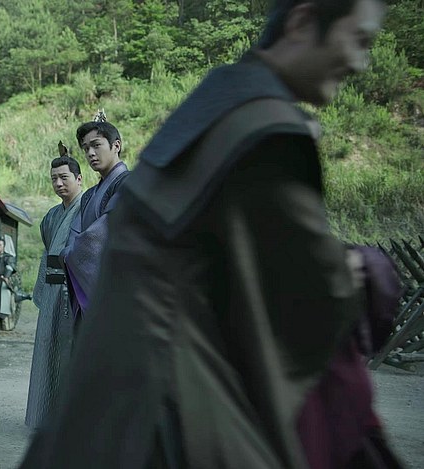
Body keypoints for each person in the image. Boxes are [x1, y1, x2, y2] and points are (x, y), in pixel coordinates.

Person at [20, 1, 391, 467]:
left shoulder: (218, 97)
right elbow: (310, 294)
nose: (360, 62)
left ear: (115, 146)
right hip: (181, 406)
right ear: (301, 21)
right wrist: (370, 270)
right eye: (358, 39)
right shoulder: (266, 130)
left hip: (118, 386)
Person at [25, 150, 83, 430]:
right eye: (54, 179)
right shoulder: (50, 217)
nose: (58, 183)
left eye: (64, 177)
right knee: (48, 351)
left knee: (70, 352)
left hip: (75, 293)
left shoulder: (88, 210)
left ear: (79, 179)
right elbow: (47, 252)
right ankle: (45, 414)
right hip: (52, 291)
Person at [61, 119, 128, 334]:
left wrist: (72, 253)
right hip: (89, 286)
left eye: (96, 145)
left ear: (116, 145)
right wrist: (69, 251)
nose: (90, 153)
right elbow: (75, 234)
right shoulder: (89, 195)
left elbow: (101, 233)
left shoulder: (128, 184)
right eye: (85, 148)